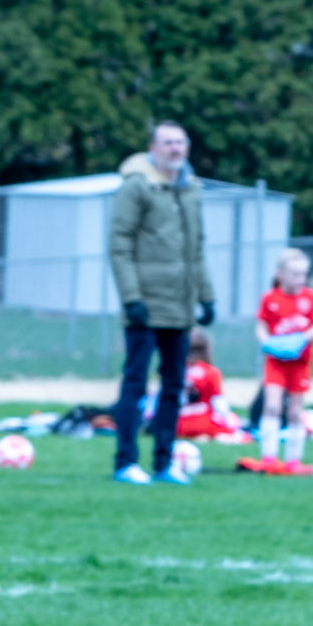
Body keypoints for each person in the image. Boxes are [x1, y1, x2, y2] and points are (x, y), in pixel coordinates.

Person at [109, 120, 216, 484]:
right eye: (168, 143)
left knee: (174, 387)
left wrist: (206, 295)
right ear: (153, 148)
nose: (175, 149)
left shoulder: (191, 189)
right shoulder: (136, 187)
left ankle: (164, 463)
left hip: (180, 308)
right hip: (146, 305)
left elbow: (196, 248)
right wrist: (132, 298)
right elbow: (119, 245)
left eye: (180, 142)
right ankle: (126, 462)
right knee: (135, 384)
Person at [256, 249, 313, 470]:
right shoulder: (270, 298)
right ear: (281, 275)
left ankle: (293, 459)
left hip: (301, 361)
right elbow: (261, 325)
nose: (300, 279)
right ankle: (269, 457)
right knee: (272, 405)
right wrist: (267, 342)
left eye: (303, 275)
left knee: (295, 410)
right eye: (295, 274)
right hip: (276, 361)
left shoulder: (310, 298)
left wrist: (301, 339)